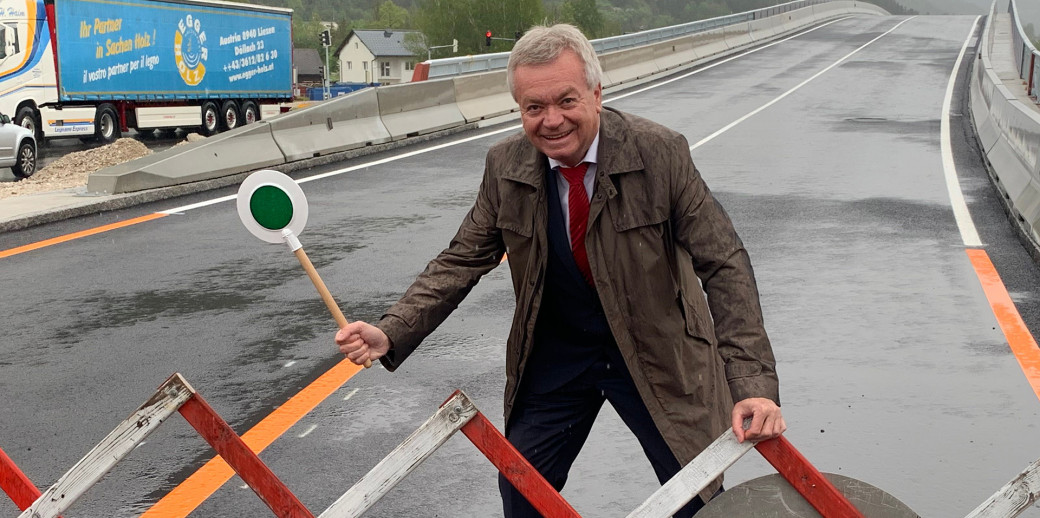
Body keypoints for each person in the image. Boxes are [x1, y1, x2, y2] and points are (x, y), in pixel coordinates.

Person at [336, 23, 784, 517]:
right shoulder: (505, 167)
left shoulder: (659, 153)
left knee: (695, 497)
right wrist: (390, 330)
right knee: (522, 491)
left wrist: (753, 386)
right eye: (534, 108)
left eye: (566, 101)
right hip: (558, 350)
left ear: (596, 93)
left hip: (657, 348)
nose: (551, 121)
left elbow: (724, 263)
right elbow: (461, 259)